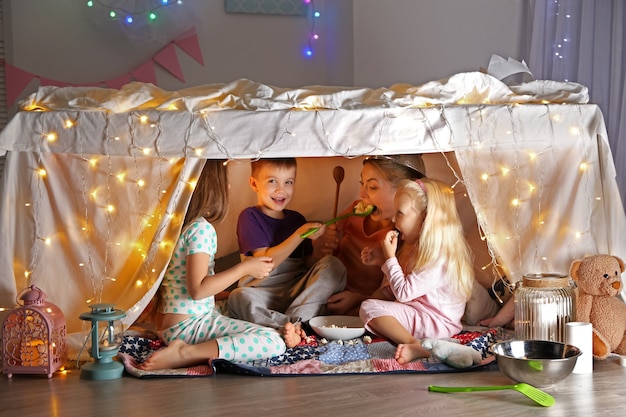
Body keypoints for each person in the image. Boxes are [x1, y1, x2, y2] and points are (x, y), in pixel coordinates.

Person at [139, 160, 286, 371]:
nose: (229, 187)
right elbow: (198, 289)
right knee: (272, 340)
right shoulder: (201, 229)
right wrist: (245, 268)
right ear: (214, 188)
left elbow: (182, 285)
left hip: (171, 325)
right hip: (187, 327)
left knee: (237, 305)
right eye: (225, 182)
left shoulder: (175, 226)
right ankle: (185, 353)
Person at [227, 158, 347, 347]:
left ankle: (294, 323)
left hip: (297, 293)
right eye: (272, 181)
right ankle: (292, 326)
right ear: (253, 183)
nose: (281, 190)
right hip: (262, 292)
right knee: (238, 297)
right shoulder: (250, 217)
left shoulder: (297, 219)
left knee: (333, 265)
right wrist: (300, 234)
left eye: (288, 182)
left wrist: (320, 248)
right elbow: (265, 261)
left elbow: (308, 264)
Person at [358, 178, 474, 364]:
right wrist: (382, 260)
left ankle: (416, 345)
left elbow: (404, 293)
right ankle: (415, 343)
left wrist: (390, 258)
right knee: (372, 306)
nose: (393, 219)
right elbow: (398, 288)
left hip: (436, 323)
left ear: (425, 218)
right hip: (421, 315)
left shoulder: (439, 256)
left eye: (400, 213)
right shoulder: (416, 248)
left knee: (369, 307)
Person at [313, 154, 426, 316]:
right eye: (362, 184)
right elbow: (318, 263)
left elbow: (398, 291)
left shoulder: (405, 235)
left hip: (367, 306)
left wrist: (359, 299)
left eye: (372, 187)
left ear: (403, 191)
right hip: (327, 294)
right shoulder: (354, 211)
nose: (361, 193)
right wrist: (322, 247)